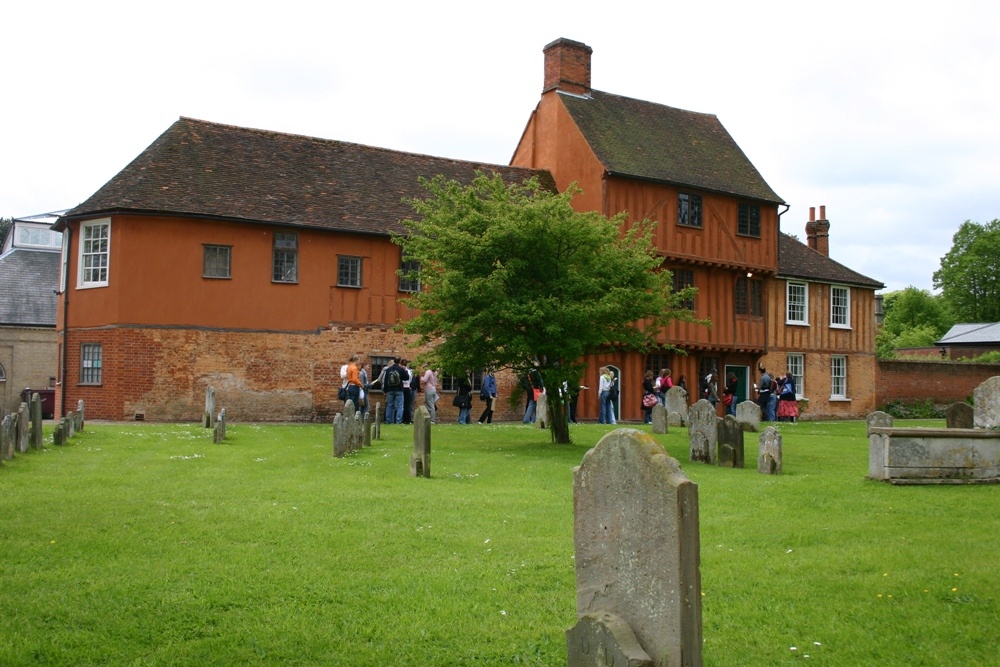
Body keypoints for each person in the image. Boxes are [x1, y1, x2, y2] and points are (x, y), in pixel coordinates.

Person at [376, 357, 406, 424]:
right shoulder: (400, 369)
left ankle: (388, 420)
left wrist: (385, 390)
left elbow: (386, 381)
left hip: (390, 390)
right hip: (399, 389)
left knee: (389, 405)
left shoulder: (388, 370)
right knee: (400, 405)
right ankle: (398, 421)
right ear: (399, 362)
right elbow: (406, 378)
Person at [401, 359, 413, 424]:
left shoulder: (401, 371)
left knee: (402, 404)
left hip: (402, 387)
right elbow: (410, 380)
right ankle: (407, 419)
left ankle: (403, 419)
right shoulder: (410, 371)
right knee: (407, 404)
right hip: (407, 387)